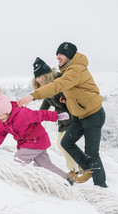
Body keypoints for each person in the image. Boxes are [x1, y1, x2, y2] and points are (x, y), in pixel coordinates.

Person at [17, 42, 107, 188]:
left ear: (69, 55)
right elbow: (70, 89)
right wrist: (68, 98)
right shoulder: (67, 70)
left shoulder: (75, 70)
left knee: (92, 153)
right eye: (57, 54)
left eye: (61, 54)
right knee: (66, 143)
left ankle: (101, 186)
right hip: (80, 116)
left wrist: (33, 96)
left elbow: (57, 85)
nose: (57, 56)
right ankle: (88, 168)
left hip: (93, 115)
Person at [0, 86, 75, 185]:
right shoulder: (2, 124)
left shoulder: (23, 114)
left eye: (1, 115)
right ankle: (66, 179)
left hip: (38, 140)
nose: (0, 118)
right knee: (45, 165)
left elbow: (41, 114)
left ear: (8, 110)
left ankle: (21, 181)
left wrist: (57, 116)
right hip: (29, 143)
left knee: (19, 158)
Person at [32, 57, 79, 176]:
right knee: (60, 144)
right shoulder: (46, 88)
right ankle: (77, 167)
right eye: (36, 77)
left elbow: (73, 94)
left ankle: (75, 170)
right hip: (63, 119)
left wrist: (66, 99)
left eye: (39, 76)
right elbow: (46, 103)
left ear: (46, 75)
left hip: (72, 116)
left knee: (64, 144)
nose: (38, 80)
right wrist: (37, 118)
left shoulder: (58, 82)